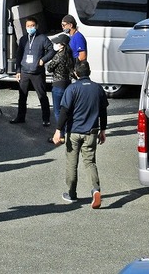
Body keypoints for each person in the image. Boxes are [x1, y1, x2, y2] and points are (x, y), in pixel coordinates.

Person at [52, 61, 108, 208]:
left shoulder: (72, 88)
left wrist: (58, 130)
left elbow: (64, 111)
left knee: (72, 163)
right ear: (89, 72)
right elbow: (103, 111)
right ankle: (95, 190)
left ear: (76, 73)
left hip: (74, 132)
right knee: (90, 162)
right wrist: (103, 130)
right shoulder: (98, 89)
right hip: (92, 132)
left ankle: (71, 194)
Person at [10, 16, 53, 126]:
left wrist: (43, 60)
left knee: (42, 96)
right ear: (25, 27)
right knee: (22, 96)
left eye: (32, 26)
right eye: (28, 26)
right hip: (24, 71)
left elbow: (52, 50)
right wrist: (18, 70)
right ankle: (20, 117)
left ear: (37, 26)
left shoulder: (42, 38)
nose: (30, 28)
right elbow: (19, 55)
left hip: (37, 73)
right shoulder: (23, 39)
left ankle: (46, 119)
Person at [44, 32, 75, 141]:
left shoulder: (58, 56)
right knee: (67, 109)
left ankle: (60, 134)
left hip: (58, 84)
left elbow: (49, 68)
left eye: (57, 43)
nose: (55, 44)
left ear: (62, 45)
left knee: (58, 111)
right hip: (68, 83)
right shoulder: (70, 55)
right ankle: (68, 132)